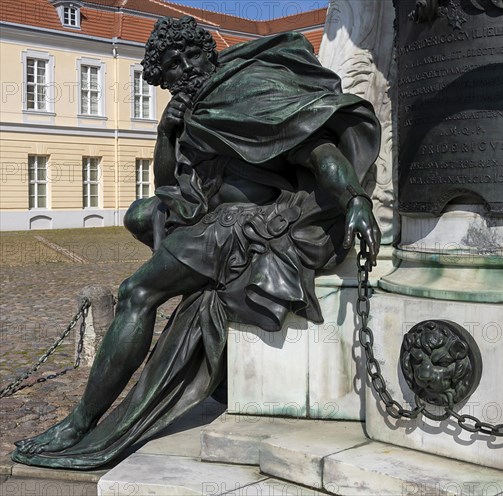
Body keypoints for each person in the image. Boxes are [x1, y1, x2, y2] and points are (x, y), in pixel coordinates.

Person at [12, 16, 381, 469]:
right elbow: (170, 187)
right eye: (173, 65)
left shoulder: (249, 87)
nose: (186, 67)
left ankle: (81, 424)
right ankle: (96, 411)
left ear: (208, 49)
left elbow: (320, 152)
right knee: (142, 215)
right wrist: (167, 131)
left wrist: (355, 198)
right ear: (163, 78)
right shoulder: (194, 108)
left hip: (242, 226)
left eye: (192, 54)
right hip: (210, 218)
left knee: (137, 292)